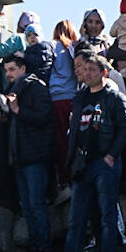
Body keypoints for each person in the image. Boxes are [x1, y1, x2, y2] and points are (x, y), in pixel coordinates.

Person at [49, 53, 126, 252]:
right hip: (81, 165)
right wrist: (71, 159)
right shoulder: (79, 98)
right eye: (84, 69)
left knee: (107, 216)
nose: (87, 73)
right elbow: (74, 132)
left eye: (92, 69)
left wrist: (111, 155)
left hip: (104, 163)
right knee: (77, 219)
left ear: (104, 72)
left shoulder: (114, 97)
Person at [0, 52, 54, 252]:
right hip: (19, 158)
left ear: (23, 69)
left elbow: (43, 118)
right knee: (27, 206)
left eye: (12, 69)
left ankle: (44, 247)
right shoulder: (13, 91)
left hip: (35, 156)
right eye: (6, 70)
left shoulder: (36, 87)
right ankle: (35, 247)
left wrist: (16, 110)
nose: (8, 74)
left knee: (36, 204)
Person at [48, 19, 81, 190]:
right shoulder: (73, 47)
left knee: (61, 140)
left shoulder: (52, 45)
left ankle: (64, 179)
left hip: (56, 97)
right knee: (73, 138)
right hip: (73, 97)